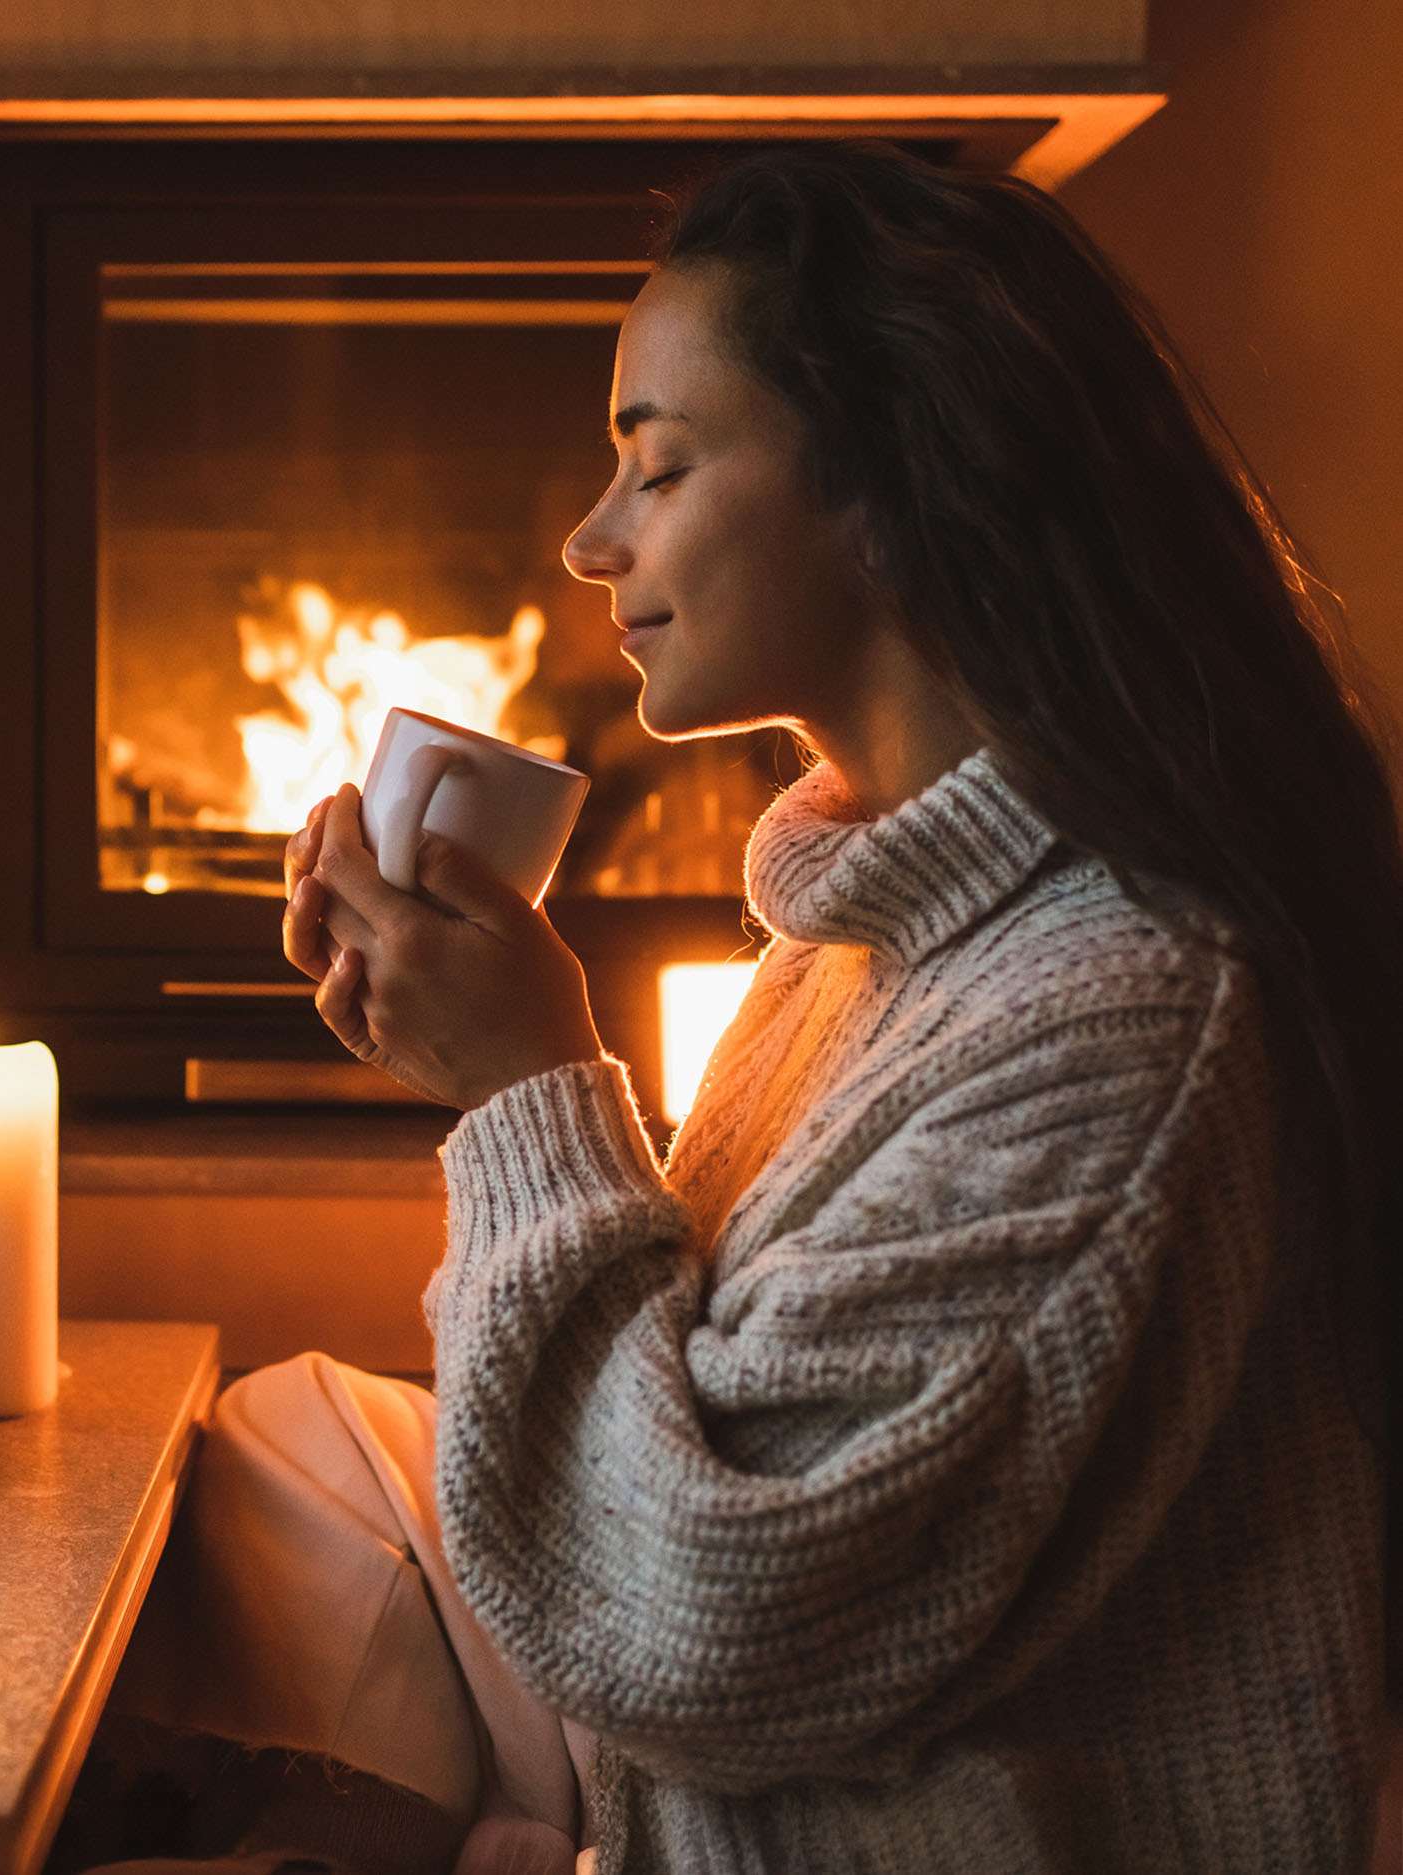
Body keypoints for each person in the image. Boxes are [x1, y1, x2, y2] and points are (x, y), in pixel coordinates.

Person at [85, 141, 1400, 1875]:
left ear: (894, 482)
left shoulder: (1132, 1010)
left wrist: (527, 1092)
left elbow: (699, 1618)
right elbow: (717, 1394)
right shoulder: (881, 927)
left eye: (662, 465)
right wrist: (498, 1076)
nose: (585, 538)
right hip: (701, 1775)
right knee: (271, 1449)